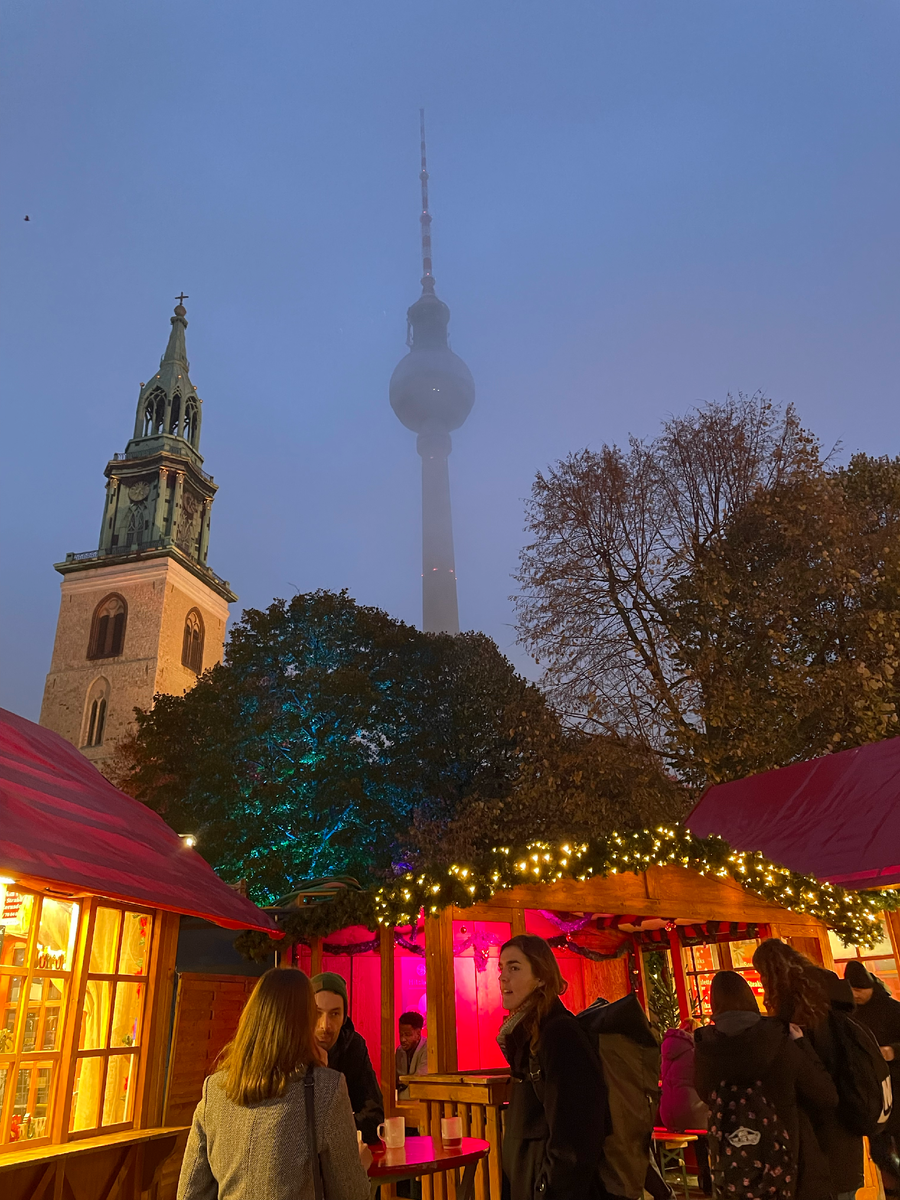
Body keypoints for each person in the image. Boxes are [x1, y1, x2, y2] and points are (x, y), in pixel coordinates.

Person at [177, 967, 371, 1200]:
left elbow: (190, 1193)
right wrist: (359, 1166)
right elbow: (351, 1193)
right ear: (305, 1020)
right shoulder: (326, 1088)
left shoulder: (215, 1089)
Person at [694, 970, 838, 1200]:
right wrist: (802, 1044)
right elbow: (826, 1094)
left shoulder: (705, 1051)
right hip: (790, 1169)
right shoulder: (778, 1041)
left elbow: (704, 1094)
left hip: (735, 1173)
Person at [497, 934, 609, 1200]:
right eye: (501, 968)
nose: (503, 977)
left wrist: (547, 1190)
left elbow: (575, 1134)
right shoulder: (526, 1037)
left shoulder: (560, 1034)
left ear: (541, 976)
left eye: (514, 968)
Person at [753, 938, 863, 1200]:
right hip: (849, 1116)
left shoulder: (793, 1008)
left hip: (818, 1130)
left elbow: (808, 1077)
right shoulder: (831, 995)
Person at [844, 961, 900, 1198]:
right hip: (871, 1091)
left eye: (860, 989)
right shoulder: (849, 1013)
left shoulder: (892, 1009)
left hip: (896, 1084)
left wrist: (892, 1051)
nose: (856, 995)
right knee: (878, 1149)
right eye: (852, 990)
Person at [312, 970, 384, 1143]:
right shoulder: (291, 1048)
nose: (325, 1025)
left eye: (334, 1014)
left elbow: (375, 1116)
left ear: (344, 1017)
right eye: (317, 1013)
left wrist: (329, 1132)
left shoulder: (353, 1046)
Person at [659, 1020, 711, 1195]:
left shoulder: (666, 1051)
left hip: (667, 1114)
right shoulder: (695, 1052)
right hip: (689, 1112)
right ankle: (707, 1178)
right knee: (706, 1127)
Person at [395, 1010, 428, 1100]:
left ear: (418, 1034)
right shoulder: (399, 1050)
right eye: (401, 1034)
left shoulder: (428, 1049)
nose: (403, 1039)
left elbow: (420, 1081)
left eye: (407, 1035)